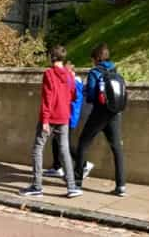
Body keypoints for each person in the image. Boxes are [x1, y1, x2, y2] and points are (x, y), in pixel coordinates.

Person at [20, 45, 83, 199]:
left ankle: (37, 186)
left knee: (37, 149)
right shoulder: (69, 75)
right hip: (64, 117)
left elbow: (47, 98)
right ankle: (72, 186)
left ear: (51, 57)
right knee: (64, 151)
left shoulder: (49, 74)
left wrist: (45, 120)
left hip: (51, 117)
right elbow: (74, 95)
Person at [74, 42, 126, 196]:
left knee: (83, 143)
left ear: (96, 58)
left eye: (92, 59)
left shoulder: (95, 72)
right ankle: (121, 185)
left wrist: (86, 92)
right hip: (115, 113)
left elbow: (90, 96)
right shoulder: (115, 71)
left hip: (99, 113)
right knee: (117, 148)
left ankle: (77, 183)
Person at [43, 60, 94, 180]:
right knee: (57, 141)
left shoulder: (72, 82)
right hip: (68, 116)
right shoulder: (74, 81)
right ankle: (57, 167)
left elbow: (70, 100)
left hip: (67, 117)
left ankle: (84, 164)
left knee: (64, 144)